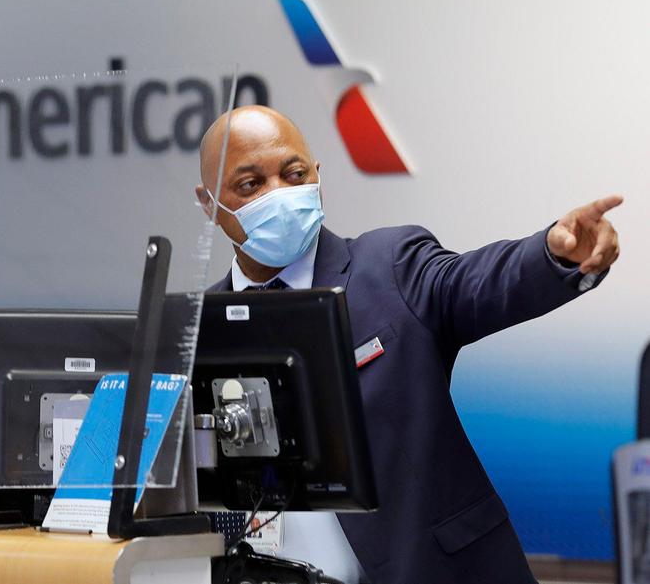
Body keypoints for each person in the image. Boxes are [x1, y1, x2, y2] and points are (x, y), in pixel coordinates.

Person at [195, 105, 621, 584]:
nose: (279, 194)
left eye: (294, 174)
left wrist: (551, 255)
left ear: (318, 177)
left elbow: (476, 282)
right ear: (210, 204)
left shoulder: (390, 266)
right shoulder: (197, 330)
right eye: (251, 185)